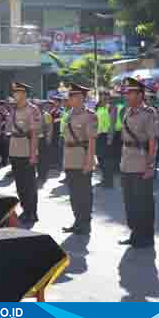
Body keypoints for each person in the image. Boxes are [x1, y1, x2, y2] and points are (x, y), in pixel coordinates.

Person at [119, 77, 158, 249]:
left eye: (130, 92)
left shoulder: (149, 113)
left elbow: (152, 142)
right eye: (126, 92)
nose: (126, 96)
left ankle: (146, 236)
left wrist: (150, 165)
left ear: (140, 94)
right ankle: (135, 233)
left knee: (144, 202)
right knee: (130, 202)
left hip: (141, 162)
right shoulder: (127, 112)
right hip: (126, 162)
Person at [61, 83, 97, 235]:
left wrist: (89, 161)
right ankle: (77, 221)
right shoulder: (69, 114)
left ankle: (85, 223)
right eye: (70, 96)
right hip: (70, 158)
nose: (70, 98)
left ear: (81, 97)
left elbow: (91, 141)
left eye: (73, 95)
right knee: (74, 194)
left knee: (83, 193)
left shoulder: (89, 116)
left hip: (82, 158)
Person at [7, 83, 42, 223]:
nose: (14, 95)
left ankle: (32, 212)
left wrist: (33, 154)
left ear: (23, 94)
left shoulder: (32, 110)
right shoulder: (14, 110)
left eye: (17, 93)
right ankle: (25, 209)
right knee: (20, 184)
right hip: (15, 149)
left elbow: (34, 134)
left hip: (27, 150)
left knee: (29, 184)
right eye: (14, 93)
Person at [95, 89, 115, 188]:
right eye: (101, 94)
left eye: (105, 94)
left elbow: (112, 123)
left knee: (107, 160)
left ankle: (109, 181)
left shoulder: (110, 107)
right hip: (98, 136)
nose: (103, 96)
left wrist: (110, 138)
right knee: (100, 159)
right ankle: (104, 178)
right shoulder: (97, 107)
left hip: (106, 135)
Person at [37, 101, 54, 182]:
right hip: (35, 139)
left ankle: (43, 174)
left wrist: (48, 138)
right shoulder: (34, 114)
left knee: (43, 158)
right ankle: (39, 173)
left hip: (43, 139)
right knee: (37, 157)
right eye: (37, 106)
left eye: (40, 106)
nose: (38, 107)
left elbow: (50, 128)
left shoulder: (46, 115)